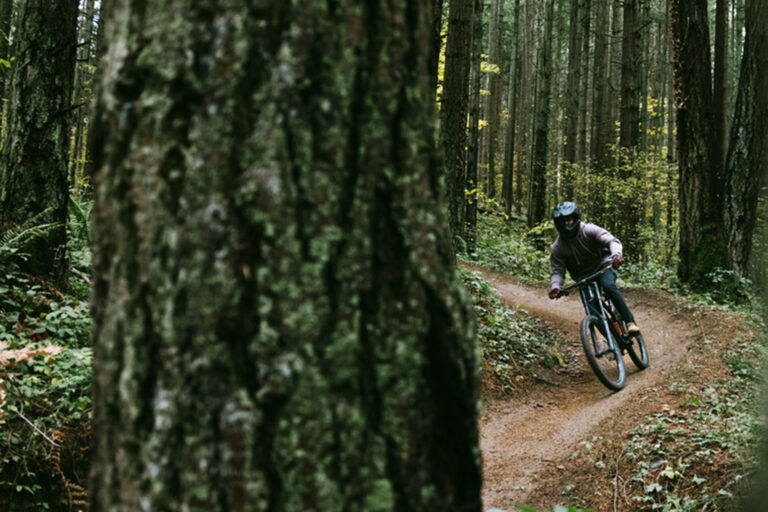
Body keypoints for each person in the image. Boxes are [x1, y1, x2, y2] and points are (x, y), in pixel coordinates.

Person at [548, 201, 640, 333]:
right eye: (563, 221)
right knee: (592, 310)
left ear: (575, 217)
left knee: (608, 286)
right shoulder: (558, 247)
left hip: (603, 265)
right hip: (583, 277)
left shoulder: (589, 229)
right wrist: (556, 287)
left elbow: (611, 241)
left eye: (568, 219)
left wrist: (616, 255)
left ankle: (629, 322)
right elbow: (557, 270)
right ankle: (613, 341)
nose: (566, 223)